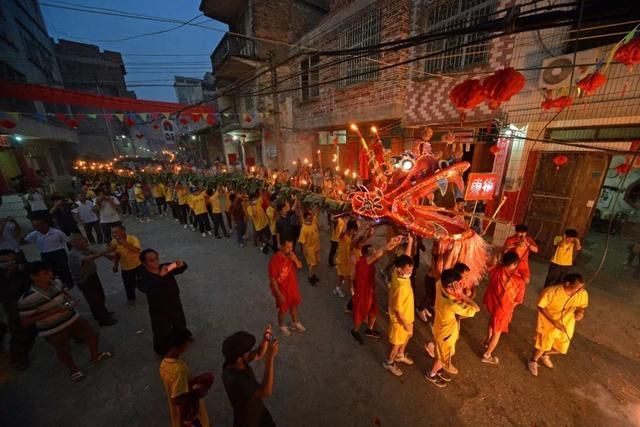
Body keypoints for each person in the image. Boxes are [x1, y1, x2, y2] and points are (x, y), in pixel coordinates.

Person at [18, 261, 113, 382]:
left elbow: (63, 293)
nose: (50, 274)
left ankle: (95, 355)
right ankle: (74, 369)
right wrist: (53, 312)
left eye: (50, 271)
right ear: (33, 276)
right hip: (52, 328)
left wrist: (72, 300)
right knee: (63, 350)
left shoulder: (56, 282)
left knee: (92, 335)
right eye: (45, 273)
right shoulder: (27, 299)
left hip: (72, 318)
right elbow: (25, 321)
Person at [425, 268, 480, 388]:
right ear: (450, 287)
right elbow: (476, 308)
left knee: (441, 354)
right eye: (459, 284)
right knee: (441, 358)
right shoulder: (451, 304)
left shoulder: (440, 285)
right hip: (447, 336)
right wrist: (461, 295)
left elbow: (442, 276)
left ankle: (437, 370)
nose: (461, 285)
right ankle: (433, 374)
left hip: (440, 328)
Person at [528, 273, 588, 376]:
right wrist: (553, 322)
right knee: (543, 345)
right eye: (577, 288)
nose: (580, 291)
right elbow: (541, 306)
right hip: (549, 323)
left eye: (582, 288)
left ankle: (545, 355)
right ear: (567, 283)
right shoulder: (551, 292)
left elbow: (581, 306)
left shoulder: (582, 293)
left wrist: (580, 312)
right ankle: (533, 361)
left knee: (561, 348)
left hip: (567, 324)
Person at [350, 236, 402, 345]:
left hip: (369, 291)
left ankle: (369, 329)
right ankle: (355, 331)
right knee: (361, 313)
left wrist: (395, 243)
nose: (375, 252)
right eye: (372, 252)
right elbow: (379, 252)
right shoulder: (363, 263)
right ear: (367, 255)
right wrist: (390, 241)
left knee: (373, 310)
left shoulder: (369, 262)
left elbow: (383, 251)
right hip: (363, 293)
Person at [138, 248, 190, 356]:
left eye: (156, 258)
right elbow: (144, 288)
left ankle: (182, 340)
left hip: (174, 301)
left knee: (179, 321)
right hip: (159, 308)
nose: (156, 262)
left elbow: (181, 267)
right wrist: (161, 276)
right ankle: (162, 350)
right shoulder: (143, 276)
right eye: (151, 260)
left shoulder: (165, 267)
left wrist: (181, 264)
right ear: (144, 263)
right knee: (161, 329)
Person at [222, 328, 277, 427]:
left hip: (257, 412)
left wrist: (265, 340)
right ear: (240, 357)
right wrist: (270, 359)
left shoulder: (232, 362)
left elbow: (258, 354)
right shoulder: (238, 380)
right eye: (248, 351)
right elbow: (266, 391)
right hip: (251, 421)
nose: (251, 352)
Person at [159, 329, 212, 427]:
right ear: (182, 345)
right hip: (188, 411)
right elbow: (178, 398)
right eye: (188, 343)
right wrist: (196, 390)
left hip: (176, 410)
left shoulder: (164, 364)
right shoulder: (179, 371)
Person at [481, 252, 525, 365]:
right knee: (497, 333)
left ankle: (487, 341)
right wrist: (510, 309)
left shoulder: (497, 269)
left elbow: (490, 265)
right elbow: (518, 300)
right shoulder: (519, 281)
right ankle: (487, 354)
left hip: (493, 304)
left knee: (492, 322)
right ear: (514, 264)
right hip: (503, 309)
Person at [67, 234, 117, 327]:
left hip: (91, 275)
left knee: (99, 295)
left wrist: (107, 255)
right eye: (80, 240)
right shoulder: (74, 253)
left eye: (84, 239)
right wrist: (105, 251)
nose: (84, 241)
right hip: (84, 279)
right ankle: (103, 319)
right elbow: (87, 258)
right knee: (95, 299)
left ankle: (102, 313)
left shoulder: (83, 249)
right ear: (73, 243)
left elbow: (93, 251)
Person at [0, 249, 36, 370]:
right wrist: (8, 275)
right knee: (20, 331)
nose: (10, 263)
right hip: (14, 305)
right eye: (5, 261)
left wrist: (23, 268)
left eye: (12, 260)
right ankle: (18, 359)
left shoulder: (21, 266)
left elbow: (34, 269)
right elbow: (5, 292)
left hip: (30, 298)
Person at [383, 251, 416, 377]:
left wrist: (410, 242)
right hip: (401, 320)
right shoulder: (400, 287)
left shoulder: (397, 274)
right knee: (397, 343)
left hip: (408, 316)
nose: (410, 272)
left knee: (407, 336)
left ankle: (400, 354)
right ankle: (389, 362)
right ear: (399, 269)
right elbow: (398, 310)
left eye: (411, 269)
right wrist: (406, 324)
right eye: (408, 270)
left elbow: (407, 256)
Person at [268, 239, 305, 337]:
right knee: (283, 309)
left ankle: (295, 322)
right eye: (288, 247)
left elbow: (300, 266)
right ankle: (282, 326)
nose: (290, 249)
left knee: (294, 305)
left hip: (293, 286)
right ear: (281, 246)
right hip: (282, 289)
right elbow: (273, 279)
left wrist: (295, 259)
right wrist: (279, 294)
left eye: (292, 247)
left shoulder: (291, 256)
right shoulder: (275, 260)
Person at [24, 218, 74, 288]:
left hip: (59, 252)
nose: (37, 227)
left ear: (45, 224)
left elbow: (68, 240)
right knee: (50, 270)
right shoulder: (34, 234)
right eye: (34, 226)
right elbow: (25, 240)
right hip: (45, 254)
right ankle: (57, 284)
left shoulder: (56, 232)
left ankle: (69, 283)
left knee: (64, 269)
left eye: (38, 225)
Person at [104, 225, 141, 304]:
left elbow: (137, 250)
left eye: (116, 232)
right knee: (128, 285)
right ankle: (131, 298)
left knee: (144, 280)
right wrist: (115, 265)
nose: (114, 234)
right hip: (126, 268)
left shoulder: (132, 238)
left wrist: (124, 243)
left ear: (123, 231)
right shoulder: (114, 242)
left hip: (138, 264)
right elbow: (117, 255)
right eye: (112, 232)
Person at [334, 219, 359, 298]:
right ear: (351, 229)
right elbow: (341, 234)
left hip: (345, 260)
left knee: (341, 276)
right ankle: (352, 294)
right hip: (342, 261)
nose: (355, 232)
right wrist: (345, 224)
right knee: (348, 278)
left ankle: (338, 288)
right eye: (354, 230)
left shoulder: (350, 236)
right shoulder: (343, 236)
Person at [298, 209, 320, 285]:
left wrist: (320, 206)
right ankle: (310, 278)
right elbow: (302, 242)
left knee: (315, 263)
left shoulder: (313, 222)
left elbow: (317, 213)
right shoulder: (304, 229)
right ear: (305, 218)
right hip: (310, 250)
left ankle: (313, 275)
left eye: (311, 217)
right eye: (309, 218)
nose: (311, 218)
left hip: (316, 247)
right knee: (312, 264)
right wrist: (304, 251)